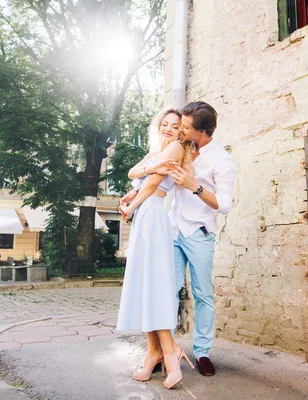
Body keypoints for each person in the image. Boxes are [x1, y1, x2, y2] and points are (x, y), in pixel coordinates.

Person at [117, 108, 195, 389]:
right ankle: (154, 353)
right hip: (144, 216)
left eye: (175, 126)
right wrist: (136, 188)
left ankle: (170, 354)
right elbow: (132, 172)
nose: (169, 129)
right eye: (165, 124)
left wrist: (131, 207)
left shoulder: (175, 148)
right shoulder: (156, 152)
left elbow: (150, 185)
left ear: (181, 131)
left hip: (151, 216)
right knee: (145, 285)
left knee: (154, 285)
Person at [168, 101, 237, 377]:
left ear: (203, 132)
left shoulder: (222, 160)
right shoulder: (180, 148)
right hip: (173, 230)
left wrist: (193, 185)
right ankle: (166, 349)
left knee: (203, 294)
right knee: (168, 290)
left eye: (186, 127)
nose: (180, 130)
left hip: (199, 233)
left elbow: (224, 204)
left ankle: (203, 352)